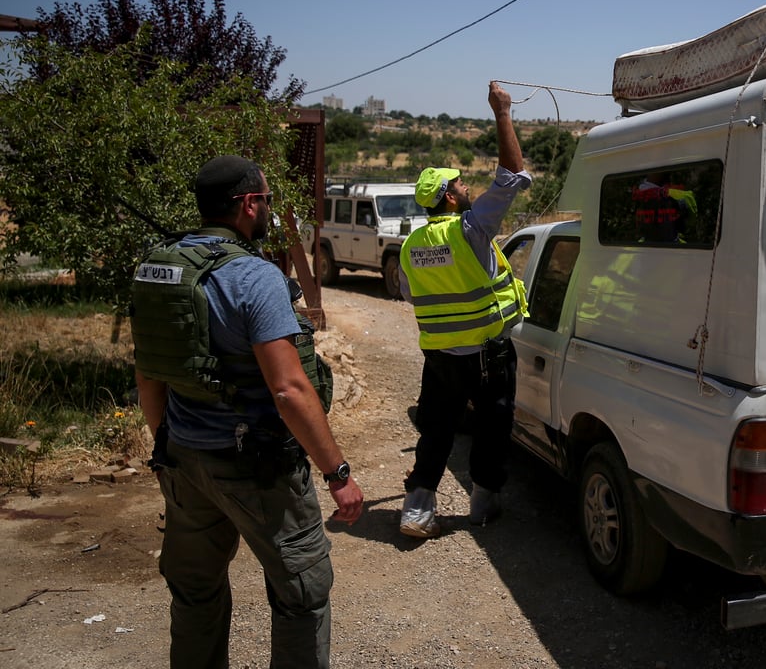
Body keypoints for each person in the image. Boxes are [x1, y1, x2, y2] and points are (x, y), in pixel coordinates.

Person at [132, 155, 363, 669]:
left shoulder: (158, 267)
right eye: (266, 202)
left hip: (184, 460)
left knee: (195, 594)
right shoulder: (253, 277)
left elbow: (147, 375)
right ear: (249, 204)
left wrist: (170, 445)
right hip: (257, 467)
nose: (268, 212)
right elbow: (289, 390)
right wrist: (337, 473)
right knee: (302, 594)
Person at [397, 81, 531, 538]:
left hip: (439, 358)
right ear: (450, 198)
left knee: (435, 431)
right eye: (460, 183)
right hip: (487, 356)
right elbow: (512, 173)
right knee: (493, 429)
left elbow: (410, 295)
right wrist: (503, 113)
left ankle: (416, 511)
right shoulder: (470, 231)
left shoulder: (411, 245)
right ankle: (482, 506)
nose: (467, 185)